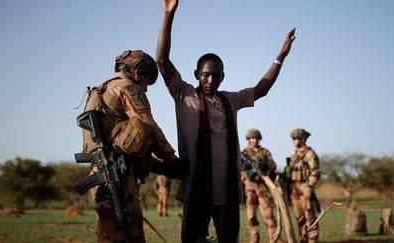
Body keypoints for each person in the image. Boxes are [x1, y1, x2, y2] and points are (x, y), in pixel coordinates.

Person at [156, 0, 296, 241]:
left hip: (227, 192)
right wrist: (168, 16)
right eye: (205, 75)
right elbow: (162, 61)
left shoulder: (230, 101)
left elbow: (261, 90)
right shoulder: (184, 94)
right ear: (197, 76)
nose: (210, 79)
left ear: (223, 77)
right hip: (197, 190)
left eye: (215, 75)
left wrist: (280, 57)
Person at [82, 50, 177, 243]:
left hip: (100, 174)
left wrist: (155, 165)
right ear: (137, 73)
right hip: (118, 176)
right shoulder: (127, 88)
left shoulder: (100, 91)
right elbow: (148, 125)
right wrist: (171, 159)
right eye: (146, 82)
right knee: (130, 235)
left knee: (108, 235)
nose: (146, 89)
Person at [241, 129, 277, 243]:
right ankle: (254, 238)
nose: (254, 140)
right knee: (251, 215)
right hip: (249, 186)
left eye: (256, 138)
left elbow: (273, 166)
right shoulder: (244, 153)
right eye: (252, 138)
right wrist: (246, 171)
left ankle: (274, 238)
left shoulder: (265, 152)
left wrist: (265, 165)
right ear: (248, 139)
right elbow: (239, 169)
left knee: (268, 213)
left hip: (262, 184)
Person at [285, 128, 320, 243]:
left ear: (303, 139)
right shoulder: (294, 154)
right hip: (294, 189)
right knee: (300, 218)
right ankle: (303, 240)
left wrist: (310, 186)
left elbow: (315, 172)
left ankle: (313, 240)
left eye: (296, 138)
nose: (294, 141)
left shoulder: (310, 153)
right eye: (293, 139)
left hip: (305, 187)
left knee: (310, 217)